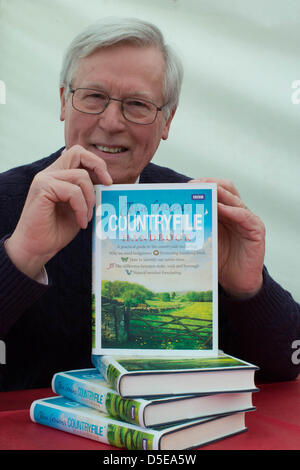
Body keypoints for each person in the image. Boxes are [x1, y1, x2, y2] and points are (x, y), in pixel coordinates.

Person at [0, 18, 299, 391]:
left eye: (137, 104)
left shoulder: (195, 211)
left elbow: (288, 363)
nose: (110, 122)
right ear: (64, 100)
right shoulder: (9, 200)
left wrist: (250, 290)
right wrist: (20, 256)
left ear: (167, 120)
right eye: (93, 96)